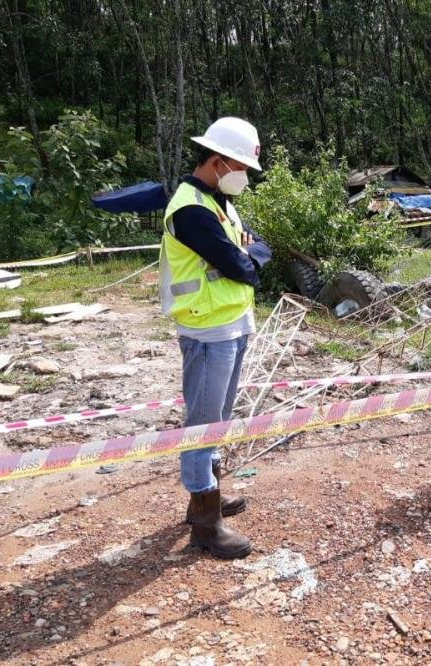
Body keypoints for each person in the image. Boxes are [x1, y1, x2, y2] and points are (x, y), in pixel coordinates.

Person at [159, 116, 272, 560]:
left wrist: (247, 254)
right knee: (202, 426)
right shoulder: (190, 210)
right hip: (207, 331)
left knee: (218, 420)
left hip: (231, 324)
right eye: (240, 166)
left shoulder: (218, 202)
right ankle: (205, 524)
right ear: (219, 161)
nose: (244, 176)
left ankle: (207, 494)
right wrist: (246, 256)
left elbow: (257, 251)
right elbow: (245, 264)